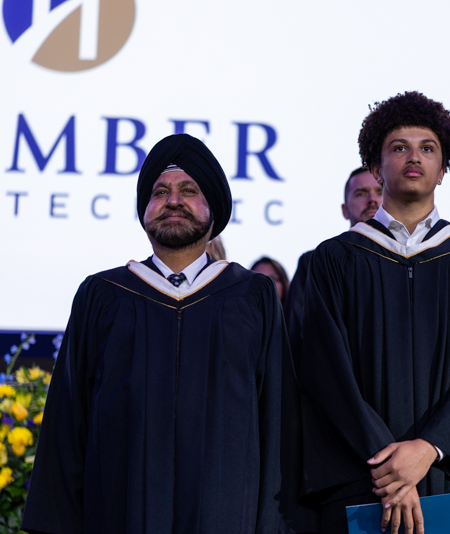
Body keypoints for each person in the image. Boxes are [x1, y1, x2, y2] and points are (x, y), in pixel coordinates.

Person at [21, 133, 303, 534]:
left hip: (226, 517)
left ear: (214, 208)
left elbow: (278, 422)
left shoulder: (251, 296)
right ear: (145, 210)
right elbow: (68, 424)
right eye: (160, 191)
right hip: (118, 514)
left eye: (189, 190)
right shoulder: (103, 295)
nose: (173, 200)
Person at [298, 92, 450, 534]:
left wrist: (428, 449)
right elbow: (327, 372)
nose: (414, 157)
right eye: (399, 147)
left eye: (427, 148)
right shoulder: (334, 260)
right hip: (362, 481)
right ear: (376, 167)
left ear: (443, 166)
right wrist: (392, 466)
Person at [284, 167, 382, 362]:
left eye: (380, 191)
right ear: (345, 210)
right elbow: (297, 336)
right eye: (361, 193)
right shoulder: (314, 263)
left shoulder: (412, 262)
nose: (372, 199)